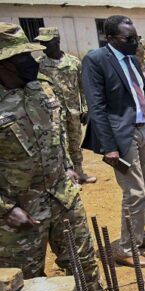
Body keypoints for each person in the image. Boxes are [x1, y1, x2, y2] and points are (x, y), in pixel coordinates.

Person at [0, 22, 116, 291]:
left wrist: (69, 168)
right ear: (5, 63)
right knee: (26, 278)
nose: (33, 62)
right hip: (19, 210)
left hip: (61, 195)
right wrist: (6, 209)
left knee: (83, 260)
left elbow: (62, 132)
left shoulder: (43, 89)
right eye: (23, 57)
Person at [82, 15, 145, 267]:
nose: (134, 42)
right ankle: (126, 248)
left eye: (136, 37)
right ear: (110, 38)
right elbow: (97, 106)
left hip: (143, 130)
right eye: (129, 39)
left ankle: (138, 235)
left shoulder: (132, 59)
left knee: (141, 189)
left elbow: (142, 93)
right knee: (134, 193)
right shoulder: (96, 60)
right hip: (121, 136)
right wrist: (109, 147)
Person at [35, 27, 96, 184]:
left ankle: (79, 172)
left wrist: (86, 108)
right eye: (41, 42)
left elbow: (84, 87)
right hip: (52, 113)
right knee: (59, 143)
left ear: (57, 42)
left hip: (73, 110)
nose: (43, 46)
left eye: (46, 42)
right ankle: (67, 178)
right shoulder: (38, 64)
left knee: (75, 142)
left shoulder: (73, 62)